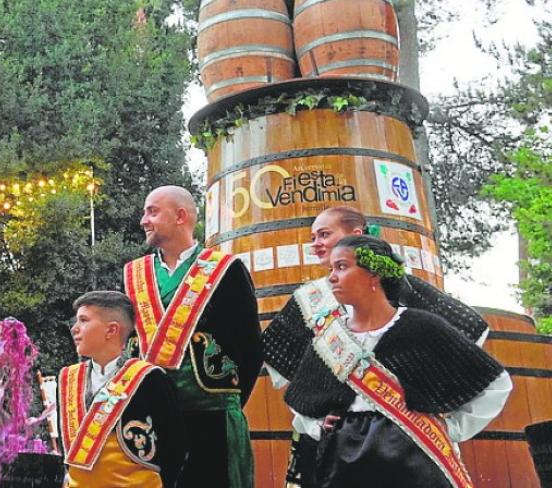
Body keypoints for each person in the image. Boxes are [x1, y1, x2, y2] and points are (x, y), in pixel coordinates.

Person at [263, 206, 489, 488]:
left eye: (324, 234)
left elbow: (469, 332)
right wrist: (314, 418)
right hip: (336, 445)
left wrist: (447, 419)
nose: (316, 244)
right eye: (313, 237)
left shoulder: (400, 289)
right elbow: (285, 369)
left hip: (407, 439)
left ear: (355, 234)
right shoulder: (308, 300)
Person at [124, 186, 262, 487]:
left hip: (211, 416)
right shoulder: (136, 275)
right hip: (151, 419)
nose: (143, 221)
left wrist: (227, 398)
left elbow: (250, 347)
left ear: (180, 216)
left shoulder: (226, 269)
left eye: (152, 211)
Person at [56, 291, 184, 487]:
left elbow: (174, 446)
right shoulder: (68, 379)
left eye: (84, 320)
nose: (75, 329)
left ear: (111, 330)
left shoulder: (150, 378)